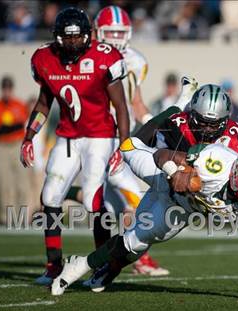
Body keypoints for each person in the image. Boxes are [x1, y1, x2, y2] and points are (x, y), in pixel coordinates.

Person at [83, 84, 238, 291]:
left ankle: (100, 268)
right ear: (191, 113)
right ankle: (104, 270)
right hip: (166, 183)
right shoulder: (179, 123)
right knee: (136, 238)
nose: (207, 129)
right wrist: (173, 166)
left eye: (213, 123)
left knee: (139, 240)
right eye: (203, 122)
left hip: (194, 204)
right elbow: (151, 147)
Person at [51, 145, 238, 300]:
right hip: (162, 177)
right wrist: (176, 173)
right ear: (237, 175)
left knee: (132, 244)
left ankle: (79, 265)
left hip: (177, 209)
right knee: (128, 148)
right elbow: (164, 155)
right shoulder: (215, 163)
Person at [20, 7, 130, 285]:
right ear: (57, 37)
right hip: (68, 137)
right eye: (66, 38)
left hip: (100, 137)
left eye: (76, 37)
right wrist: (29, 136)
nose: (71, 43)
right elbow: (44, 103)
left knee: (94, 199)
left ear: (88, 35)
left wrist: (123, 145)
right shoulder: (45, 59)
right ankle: (53, 265)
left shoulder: (105, 58)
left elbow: (121, 106)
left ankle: (102, 263)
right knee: (50, 197)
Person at [65, 5, 169, 277]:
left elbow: (135, 102)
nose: (114, 37)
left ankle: (105, 260)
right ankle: (130, 259)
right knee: (132, 201)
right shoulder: (86, 57)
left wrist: (159, 128)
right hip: (98, 138)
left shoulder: (135, 60)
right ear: (97, 32)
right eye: (109, 32)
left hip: (123, 139)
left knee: (110, 204)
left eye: (119, 32)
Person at [0, 76, 29, 224]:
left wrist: (6, 128)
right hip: (1, 147)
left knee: (22, 182)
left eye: (9, 88)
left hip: (16, 145)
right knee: (4, 184)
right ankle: (5, 218)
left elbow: (21, 124)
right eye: (4, 88)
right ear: (2, 89)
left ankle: (23, 217)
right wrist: (7, 128)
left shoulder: (19, 105)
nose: (7, 91)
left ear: (11, 89)